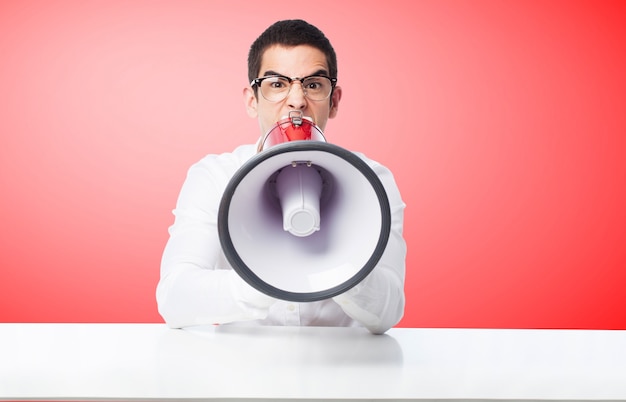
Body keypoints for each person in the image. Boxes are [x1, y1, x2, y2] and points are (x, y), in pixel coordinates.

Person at [156, 19, 406, 334]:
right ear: (251, 99)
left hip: (344, 372)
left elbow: (389, 309)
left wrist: (338, 271)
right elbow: (175, 297)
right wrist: (272, 275)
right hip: (241, 374)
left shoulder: (373, 181)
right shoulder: (215, 176)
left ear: (335, 100)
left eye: (314, 84)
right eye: (277, 84)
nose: (297, 100)